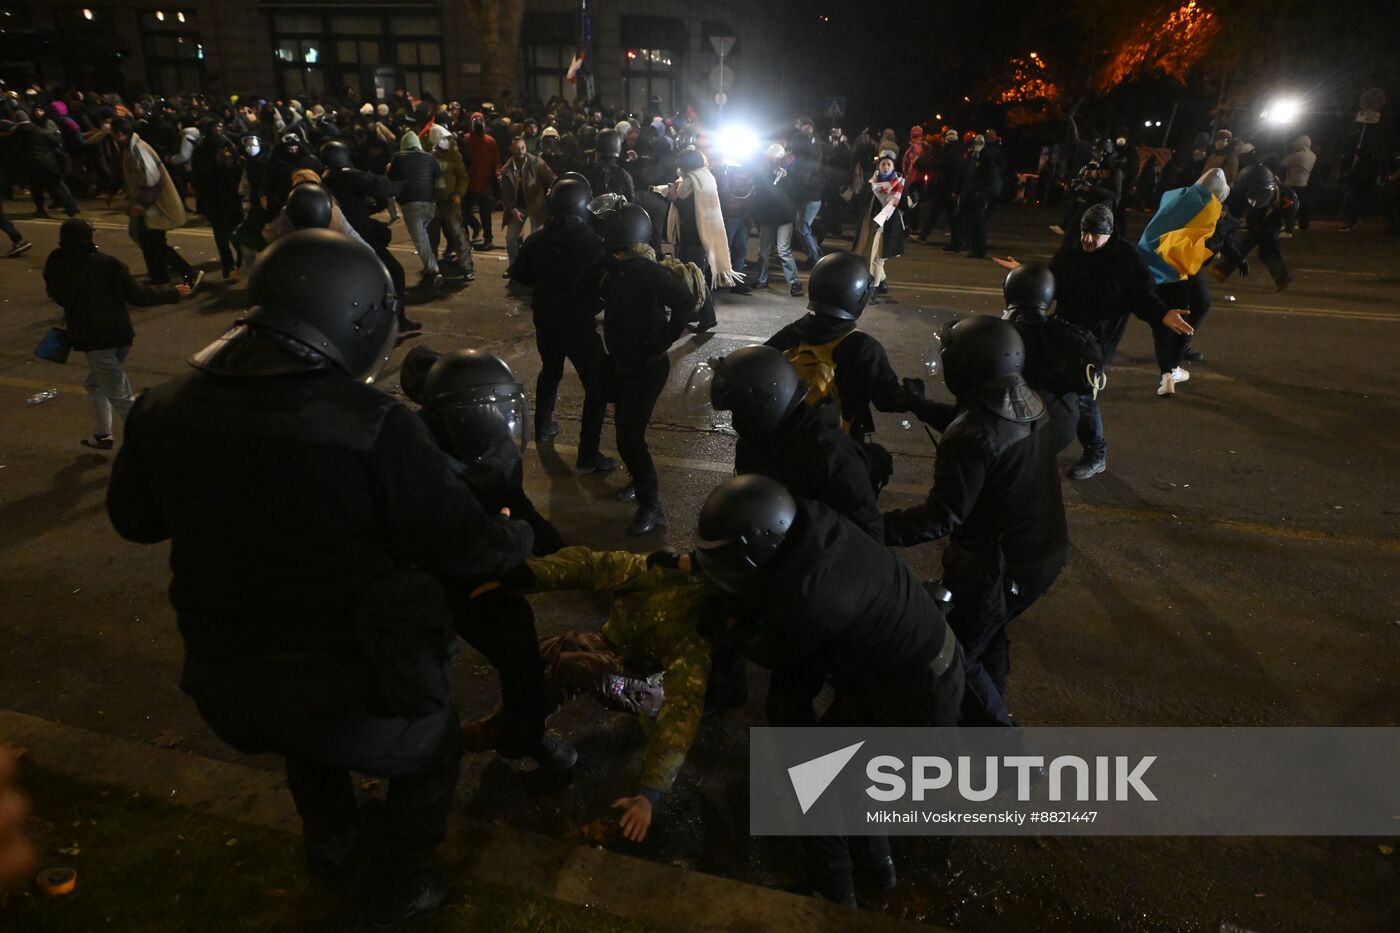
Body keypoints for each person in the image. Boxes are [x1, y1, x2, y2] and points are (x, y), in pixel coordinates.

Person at [107, 230, 535, 928]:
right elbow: (467, 546)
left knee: (306, 743)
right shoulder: (374, 427)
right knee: (432, 745)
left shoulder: (162, 406)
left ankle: (332, 844)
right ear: (358, 318)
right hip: (353, 681)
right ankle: (399, 887)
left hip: (226, 675)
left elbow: (136, 520)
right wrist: (515, 530)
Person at [693, 475, 964, 907]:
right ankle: (877, 873)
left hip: (914, 697)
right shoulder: (809, 522)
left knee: (818, 782)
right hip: (918, 667)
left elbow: (770, 648)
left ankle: (835, 895)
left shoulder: (812, 598)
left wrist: (729, 627)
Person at [882, 316, 1067, 735]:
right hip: (1043, 551)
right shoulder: (1027, 400)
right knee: (992, 632)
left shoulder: (971, 435)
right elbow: (975, 422)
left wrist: (875, 527)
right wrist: (918, 404)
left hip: (997, 566)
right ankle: (985, 709)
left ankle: (1005, 746)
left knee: (956, 653)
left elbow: (940, 517)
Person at [507, 547, 717, 843]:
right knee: (557, 649)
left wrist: (649, 794)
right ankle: (513, 730)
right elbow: (594, 565)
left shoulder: (695, 636)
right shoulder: (663, 572)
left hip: (652, 682)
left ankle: (522, 737)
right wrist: (525, 575)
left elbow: (682, 710)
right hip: (619, 649)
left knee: (580, 666)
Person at [1008, 203, 1191, 479]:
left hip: (1097, 341)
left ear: (1109, 234)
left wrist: (1162, 314)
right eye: (1085, 232)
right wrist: (1028, 275)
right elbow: (1053, 282)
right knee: (1044, 385)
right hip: (1064, 331)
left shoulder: (1125, 258)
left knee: (1084, 397)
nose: (1088, 239)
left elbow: (1142, 296)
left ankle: (1096, 454)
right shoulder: (1072, 252)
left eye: (1095, 234)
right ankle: (1035, 443)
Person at [577, 204, 696, 534]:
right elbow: (585, 291)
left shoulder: (648, 271)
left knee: (630, 438)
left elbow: (685, 302)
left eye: (615, 246)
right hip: (619, 360)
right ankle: (603, 463)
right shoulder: (614, 268)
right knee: (597, 398)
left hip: (646, 365)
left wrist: (663, 341)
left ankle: (650, 506)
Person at [766, 251, 938, 455]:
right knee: (879, 462)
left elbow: (758, 368)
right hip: (835, 450)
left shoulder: (790, 334)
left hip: (784, 442)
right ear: (859, 296)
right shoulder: (864, 347)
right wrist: (913, 394)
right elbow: (888, 400)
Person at [43, 218, 191, 449]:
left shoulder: (58, 262)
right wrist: (172, 293)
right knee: (95, 384)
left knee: (122, 398)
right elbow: (138, 295)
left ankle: (152, 444)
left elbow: (57, 294)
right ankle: (102, 435)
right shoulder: (108, 263)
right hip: (121, 335)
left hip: (95, 340)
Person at [708, 344, 883, 539]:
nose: (736, 420)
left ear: (763, 407)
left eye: (739, 410)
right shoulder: (758, 440)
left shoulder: (832, 456)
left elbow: (867, 535)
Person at [509, 176, 614, 468]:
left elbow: (520, 275)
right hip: (579, 323)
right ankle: (588, 453)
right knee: (596, 385)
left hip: (546, 318)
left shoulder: (538, 238)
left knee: (550, 369)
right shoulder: (593, 241)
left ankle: (543, 426)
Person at [1137, 169, 1230, 394]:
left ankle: (1167, 375)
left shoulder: (1174, 195)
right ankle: (1172, 369)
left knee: (1161, 321)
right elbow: (1203, 241)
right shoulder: (1208, 207)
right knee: (1180, 318)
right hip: (1173, 267)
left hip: (1146, 258)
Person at [320, 139, 419, 332]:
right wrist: (405, 185)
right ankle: (397, 319)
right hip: (357, 235)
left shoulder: (326, 177)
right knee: (395, 271)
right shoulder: (348, 175)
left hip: (341, 235)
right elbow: (380, 187)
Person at [111, 117, 201, 288]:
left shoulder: (138, 150)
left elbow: (152, 181)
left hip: (153, 207)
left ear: (119, 134)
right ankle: (159, 276)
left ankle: (188, 273)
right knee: (149, 242)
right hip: (147, 207)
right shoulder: (131, 148)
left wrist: (140, 204)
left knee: (155, 243)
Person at [663, 147, 740, 331]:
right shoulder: (705, 176)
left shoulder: (691, 181)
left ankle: (707, 317)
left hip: (693, 237)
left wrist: (674, 197)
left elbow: (689, 212)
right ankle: (694, 313)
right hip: (705, 234)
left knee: (694, 277)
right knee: (692, 276)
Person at [1209, 164, 1291, 291]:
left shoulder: (1284, 197)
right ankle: (1223, 269)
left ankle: (1223, 269)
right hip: (1259, 217)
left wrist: (1287, 227)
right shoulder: (1254, 195)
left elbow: (1289, 210)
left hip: (1271, 221)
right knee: (1252, 244)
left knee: (1259, 246)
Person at [389, 127, 444, 290]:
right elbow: (439, 180)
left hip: (411, 204)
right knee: (424, 237)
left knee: (420, 240)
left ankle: (434, 270)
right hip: (429, 203)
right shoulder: (430, 158)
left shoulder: (399, 158)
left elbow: (391, 179)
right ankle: (430, 267)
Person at [189, 122, 245, 279]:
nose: (219, 132)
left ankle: (235, 262)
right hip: (218, 196)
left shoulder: (228, 145)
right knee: (225, 231)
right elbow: (200, 174)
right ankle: (231, 263)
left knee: (228, 230)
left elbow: (238, 169)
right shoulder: (203, 150)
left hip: (225, 195)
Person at [500, 135, 556, 275]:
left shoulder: (537, 163)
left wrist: (551, 188)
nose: (521, 151)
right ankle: (514, 266)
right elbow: (505, 194)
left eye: (523, 147)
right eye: (517, 148)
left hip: (536, 206)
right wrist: (512, 209)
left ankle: (534, 268)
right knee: (510, 239)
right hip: (517, 208)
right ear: (511, 149)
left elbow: (552, 178)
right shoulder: (506, 169)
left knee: (535, 240)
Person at [752, 143, 803, 297]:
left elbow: (796, 193)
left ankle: (795, 282)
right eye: (772, 159)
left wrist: (786, 179)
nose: (775, 161)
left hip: (784, 217)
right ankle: (762, 279)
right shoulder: (762, 173)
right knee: (763, 251)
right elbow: (760, 194)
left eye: (777, 159)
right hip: (768, 217)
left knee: (783, 250)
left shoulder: (789, 172)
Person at [425, 125, 475, 281]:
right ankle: (432, 269)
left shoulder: (454, 155)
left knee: (458, 235)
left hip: (450, 202)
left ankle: (467, 266)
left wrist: (459, 194)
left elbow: (463, 177)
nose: (446, 141)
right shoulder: (428, 156)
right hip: (433, 202)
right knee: (431, 237)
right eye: (443, 138)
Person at [854, 150, 905, 297]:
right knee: (872, 256)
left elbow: (904, 206)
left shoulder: (900, 184)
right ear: (878, 166)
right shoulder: (872, 183)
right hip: (873, 224)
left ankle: (873, 290)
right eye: (883, 164)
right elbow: (863, 202)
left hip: (888, 225)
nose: (886, 167)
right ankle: (881, 281)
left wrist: (912, 202)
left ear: (893, 167)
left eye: (889, 164)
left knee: (877, 259)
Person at [11, 109, 79, 217]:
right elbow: (56, 141)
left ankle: (40, 210)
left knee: (36, 188)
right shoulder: (39, 130)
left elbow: (13, 150)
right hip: (48, 163)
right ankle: (71, 206)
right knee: (56, 186)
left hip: (30, 165)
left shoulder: (15, 134)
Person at [945, 134, 997, 259]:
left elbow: (989, 178)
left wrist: (982, 192)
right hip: (968, 192)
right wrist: (957, 189)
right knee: (959, 219)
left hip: (977, 194)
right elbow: (964, 174)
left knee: (976, 223)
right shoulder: (972, 156)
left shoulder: (986, 157)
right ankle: (958, 244)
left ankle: (978, 249)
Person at [789, 117, 825, 267]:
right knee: (801, 228)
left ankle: (815, 257)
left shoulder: (812, 151)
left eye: (807, 126)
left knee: (803, 228)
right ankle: (816, 254)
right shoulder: (800, 155)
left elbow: (806, 176)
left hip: (811, 196)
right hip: (804, 196)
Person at [462, 111, 500, 249]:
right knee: (464, 211)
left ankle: (488, 238)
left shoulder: (490, 141)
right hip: (469, 182)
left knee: (485, 214)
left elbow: (495, 161)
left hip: (484, 182)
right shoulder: (465, 139)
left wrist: (497, 175)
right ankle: (474, 228)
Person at [1279, 135, 1316, 235]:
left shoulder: (1297, 155)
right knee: (1301, 206)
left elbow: (1283, 163)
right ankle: (1303, 226)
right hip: (1304, 184)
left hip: (1292, 185)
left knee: (1289, 206)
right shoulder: (1313, 155)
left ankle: (1288, 228)